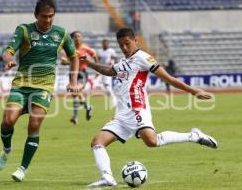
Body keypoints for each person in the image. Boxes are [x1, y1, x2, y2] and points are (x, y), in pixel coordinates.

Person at [81, 28, 218, 187]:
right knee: (97, 142)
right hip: (121, 114)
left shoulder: (144, 58)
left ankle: (194, 136)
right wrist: (89, 63)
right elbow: (109, 71)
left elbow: (169, 78)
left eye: (127, 43)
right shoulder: (124, 62)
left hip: (138, 108)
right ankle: (107, 177)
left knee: (152, 141)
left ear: (135, 41)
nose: (124, 48)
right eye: (121, 45)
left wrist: (194, 91)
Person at [0, 0, 80, 182]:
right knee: (8, 121)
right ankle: (7, 148)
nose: (48, 20)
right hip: (22, 84)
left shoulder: (62, 34)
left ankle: (22, 168)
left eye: (51, 16)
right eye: (44, 16)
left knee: (34, 125)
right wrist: (8, 60)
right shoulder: (24, 30)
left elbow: (74, 57)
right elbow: (8, 51)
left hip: (44, 86)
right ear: (36, 15)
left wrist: (73, 81)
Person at [62, 31, 98, 124]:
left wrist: (96, 69)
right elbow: (63, 61)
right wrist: (73, 62)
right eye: (75, 37)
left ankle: (75, 117)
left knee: (76, 91)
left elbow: (94, 55)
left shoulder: (85, 48)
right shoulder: (70, 49)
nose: (77, 38)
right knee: (75, 95)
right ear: (72, 39)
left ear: (82, 38)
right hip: (72, 73)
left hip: (82, 73)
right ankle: (87, 108)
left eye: (79, 36)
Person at [97, 39, 117, 107]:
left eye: (106, 43)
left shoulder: (111, 51)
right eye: (104, 43)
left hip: (108, 69)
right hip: (102, 69)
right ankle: (113, 98)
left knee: (107, 84)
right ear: (102, 44)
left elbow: (115, 58)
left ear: (108, 44)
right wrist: (97, 70)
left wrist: (112, 62)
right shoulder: (100, 51)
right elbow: (98, 60)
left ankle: (114, 99)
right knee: (105, 86)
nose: (105, 45)